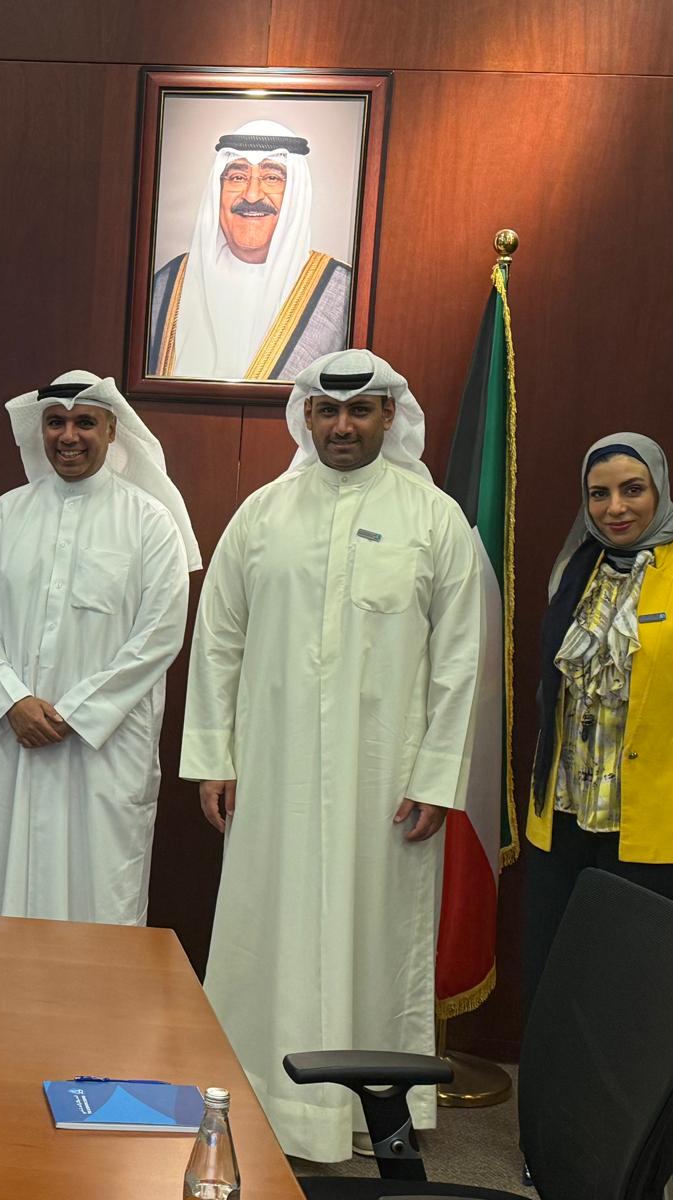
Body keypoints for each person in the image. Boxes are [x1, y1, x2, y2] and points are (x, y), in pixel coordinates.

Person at [181, 349, 482, 1162]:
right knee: (264, 930)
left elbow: (461, 660)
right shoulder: (262, 515)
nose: (342, 426)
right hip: (271, 775)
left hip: (385, 785)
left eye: (360, 411)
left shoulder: (434, 520)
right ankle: (259, 1099)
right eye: (327, 410)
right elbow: (218, 641)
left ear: (390, 416)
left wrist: (437, 777)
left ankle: (366, 1113)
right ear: (306, 417)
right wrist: (215, 757)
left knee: (376, 937)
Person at [524, 434, 673, 1004]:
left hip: (657, 813)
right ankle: (558, 1070)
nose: (615, 508)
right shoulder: (572, 572)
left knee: (637, 990)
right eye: (599, 494)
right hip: (564, 810)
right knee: (558, 977)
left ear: (660, 490)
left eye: (633, 490)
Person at [0, 372, 198, 925]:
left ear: (112, 430)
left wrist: (76, 712)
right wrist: (13, 700)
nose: (69, 436)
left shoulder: (149, 521)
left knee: (101, 900)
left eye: (84, 422)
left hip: (103, 751)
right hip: (16, 740)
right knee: (7, 895)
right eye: (56, 423)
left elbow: (159, 635)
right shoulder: (7, 513)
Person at [148, 119, 350, 381]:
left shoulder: (341, 292)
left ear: (295, 194)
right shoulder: (169, 282)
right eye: (237, 177)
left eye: (272, 178)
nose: (252, 195)